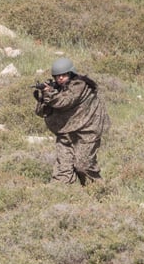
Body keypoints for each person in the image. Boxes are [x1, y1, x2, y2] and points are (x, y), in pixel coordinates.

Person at [33, 57, 111, 185]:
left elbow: (65, 101)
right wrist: (43, 98)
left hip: (87, 131)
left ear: (70, 74)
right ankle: (57, 199)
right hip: (66, 132)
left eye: (63, 75)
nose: (60, 79)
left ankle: (99, 194)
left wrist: (50, 93)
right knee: (62, 172)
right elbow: (42, 112)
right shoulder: (57, 89)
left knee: (83, 166)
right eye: (57, 76)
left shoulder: (79, 85)